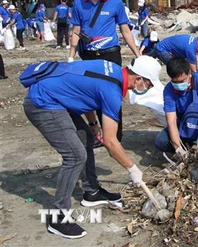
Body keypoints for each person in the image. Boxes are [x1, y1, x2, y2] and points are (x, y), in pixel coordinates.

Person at [22, 55, 161, 238]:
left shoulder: (111, 68)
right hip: (43, 103)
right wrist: (132, 168)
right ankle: (57, 217)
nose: (147, 88)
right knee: (75, 155)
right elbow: (111, 142)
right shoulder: (112, 92)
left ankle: (92, 192)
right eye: (149, 84)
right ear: (138, 79)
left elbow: (85, 91)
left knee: (86, 138)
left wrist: (93, 123)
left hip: (58, 99)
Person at [69, 0, 140, 143]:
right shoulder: (78, 3)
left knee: (112, 94)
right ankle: (98, 133)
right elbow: (76, 31)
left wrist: (138, 54)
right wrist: (71, 55)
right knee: (93, 94)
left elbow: (125, 31)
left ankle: (116, 137)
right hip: (89, 56)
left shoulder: (115, 3)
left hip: (110, 54)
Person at [154, 58, 198, 156]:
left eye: (182, 81)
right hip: (185, 124)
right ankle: (187, 148)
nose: (179, 85)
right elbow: (171, 121)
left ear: (189, 73)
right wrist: (177, 147)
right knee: (161, 141)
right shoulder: (169, 90)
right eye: (175, 82)